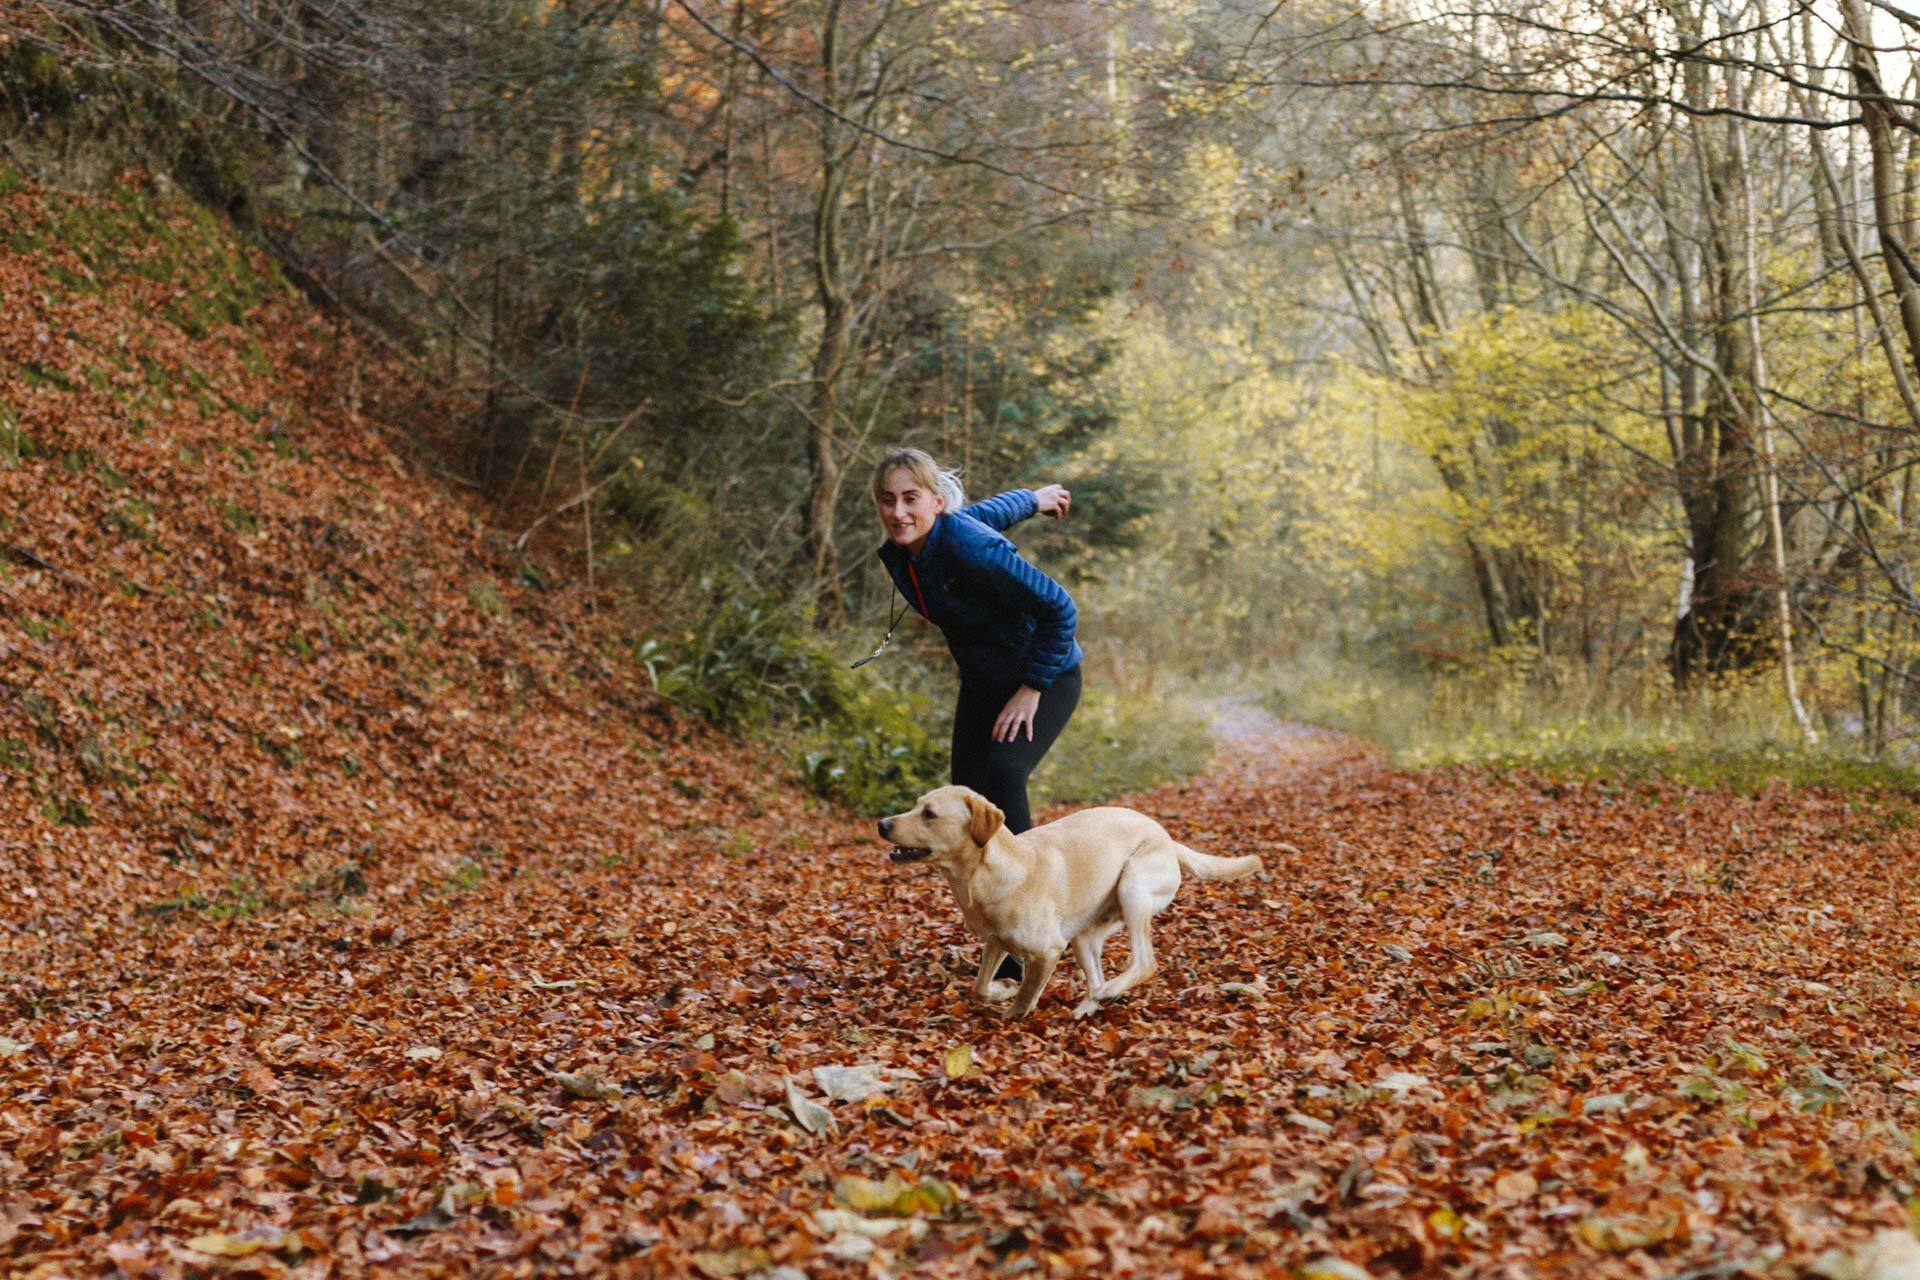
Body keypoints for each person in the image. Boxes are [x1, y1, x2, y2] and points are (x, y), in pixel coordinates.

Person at [870, 447, 1082, 838]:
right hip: (983, 681)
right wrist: (1034, 499)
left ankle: (1027, 888)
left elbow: (1060, 608)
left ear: (936, 502)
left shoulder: (975, 550)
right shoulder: (911, 548)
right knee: (964, 792)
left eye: (910, 499)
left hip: (1046, 675)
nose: (898, 513)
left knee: (1004, 775)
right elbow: (989, 513)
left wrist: (1032, 687)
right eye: (888, 500)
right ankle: (982, 895)